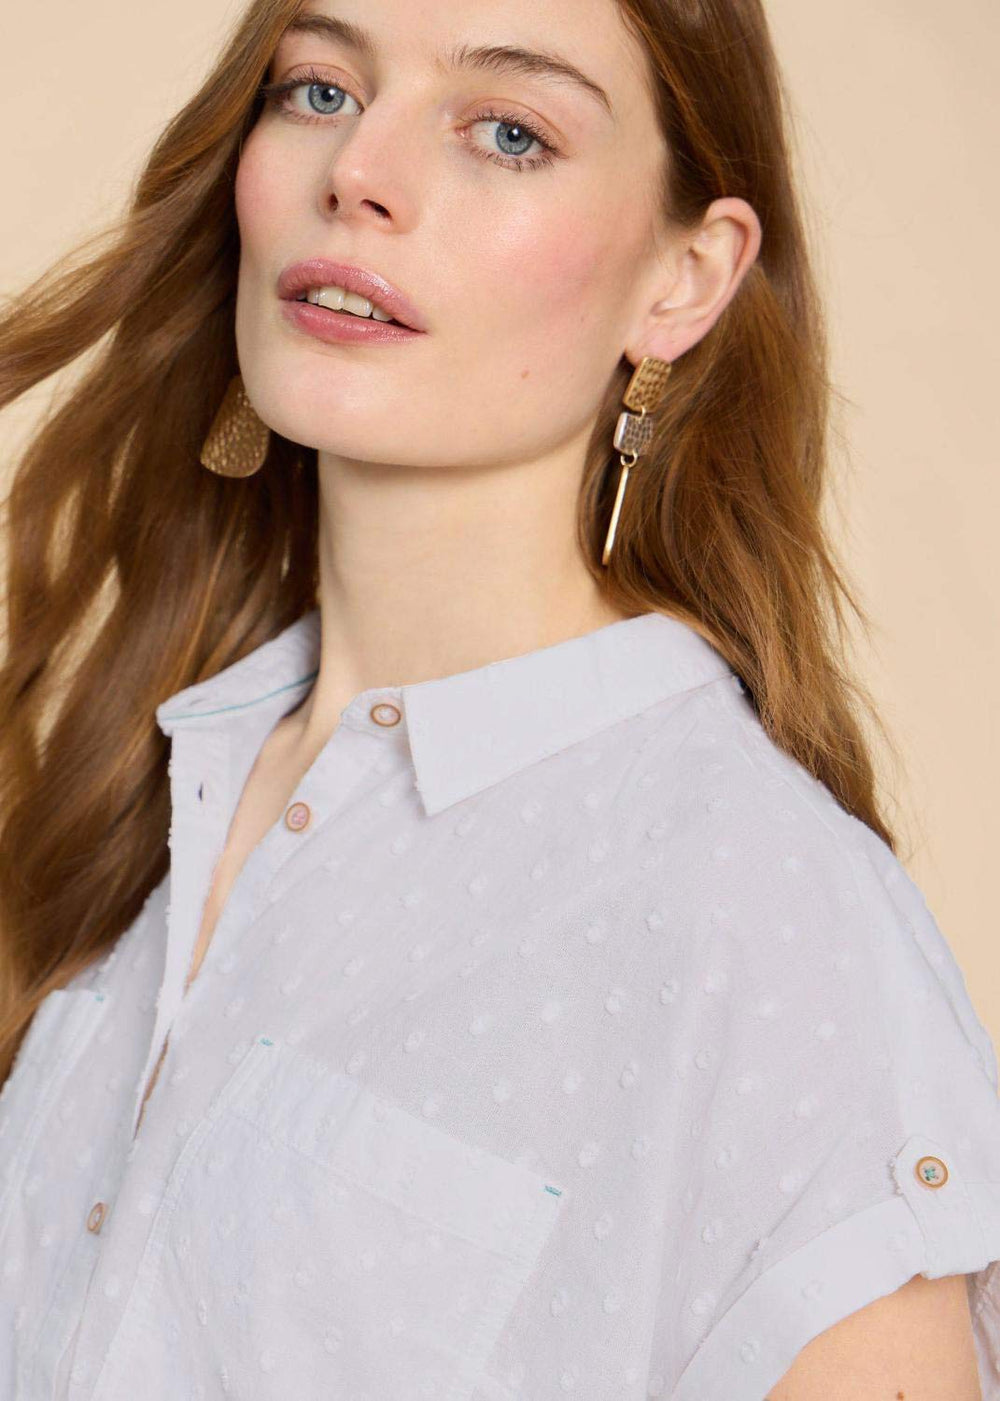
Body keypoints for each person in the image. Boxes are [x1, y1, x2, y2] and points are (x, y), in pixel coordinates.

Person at [0, 0, 996, 1396]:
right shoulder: (142, 781)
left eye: (510, 132)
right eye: (320, 90)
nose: (360, 173)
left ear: (685, 279)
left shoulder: (768, 922)